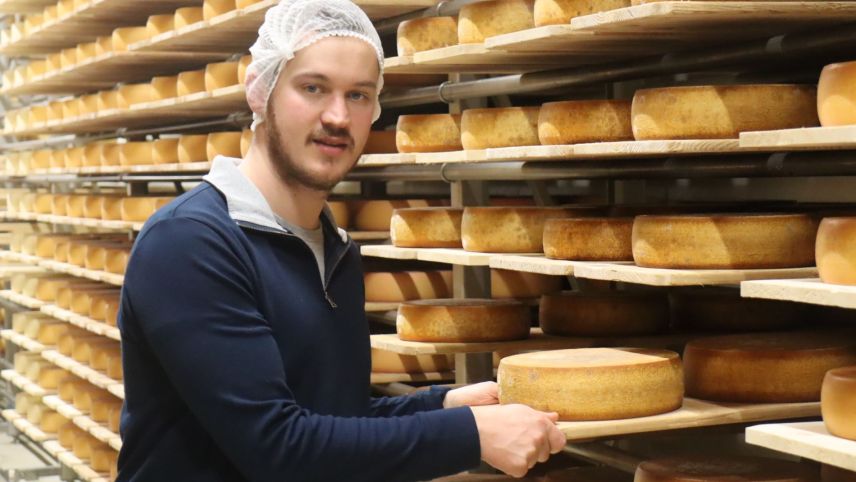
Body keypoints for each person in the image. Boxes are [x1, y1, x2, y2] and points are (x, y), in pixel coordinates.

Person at [115, 0, 566, 480]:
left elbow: (332, 419)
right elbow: (279, 448)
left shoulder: (332, 249)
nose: (337, 116)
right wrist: (469, 436)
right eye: (313, 88)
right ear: (260, 91)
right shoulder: (191, 243)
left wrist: (445, 405)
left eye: (358, 95)